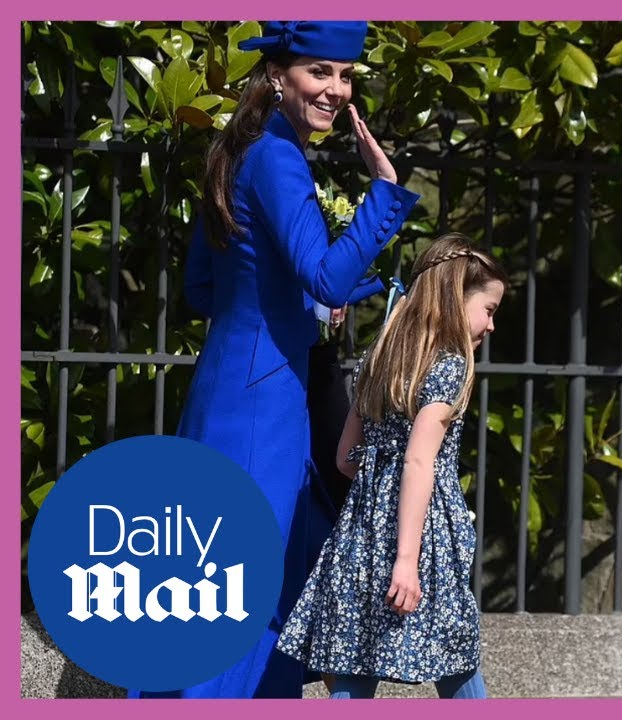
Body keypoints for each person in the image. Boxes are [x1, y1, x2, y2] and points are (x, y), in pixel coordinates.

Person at [142, 21, 421, 698]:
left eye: (345, 76)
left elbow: (204, 289)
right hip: (266, 405)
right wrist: (384, 192)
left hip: (222, 394)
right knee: (242, 591)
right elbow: (323, 278)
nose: (335, 89)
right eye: (319, 72)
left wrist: (336, 292)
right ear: (277, 76)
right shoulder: (279, 157)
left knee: (223, 586)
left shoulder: (234, 150)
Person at [277, 234, 506, 699]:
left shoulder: (379, 362)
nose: (491, 325)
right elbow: (420, 460)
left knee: (355, 663)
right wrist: (406, 558)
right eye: (489, 309)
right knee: (456, 662)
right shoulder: (449, 368)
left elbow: (344, 458)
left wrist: (377, 487)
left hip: (361, 535)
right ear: (454, 300)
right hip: (421, 541)